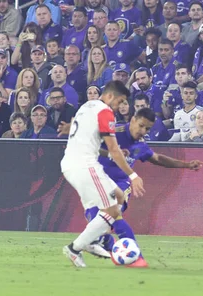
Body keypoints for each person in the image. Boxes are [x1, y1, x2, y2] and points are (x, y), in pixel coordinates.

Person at [93, 107, 203, 266]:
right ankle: (110, 245)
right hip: (97, 182)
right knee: (94, 222)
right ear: (132, 120)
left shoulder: (141, 146)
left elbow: (158, 159)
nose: (143, 131)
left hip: (120, 183)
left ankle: (136, 257)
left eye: (147, 129)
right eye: (141, 126)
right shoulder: (113, 132)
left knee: (113, 212)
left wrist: (186, 164)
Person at [60, 80, 143, 267]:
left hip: (71, 164)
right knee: (113, 210)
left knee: (119, 198)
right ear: (111, 96)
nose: (120, 106)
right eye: (120, 101)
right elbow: (114, 149)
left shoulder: (86, 106)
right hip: (85, 165)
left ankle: (93, 240)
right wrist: (133, 175)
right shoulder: (105, 112)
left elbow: (88, 139)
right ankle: (76, 247)